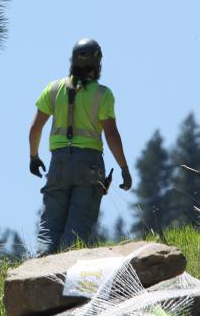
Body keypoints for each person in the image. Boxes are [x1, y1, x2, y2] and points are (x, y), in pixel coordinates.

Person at [28, 38, 132, 254]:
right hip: (89, 164)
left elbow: (35, 128)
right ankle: (67, 279)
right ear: (97, 65)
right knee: (77, 231)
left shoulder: (53, 89)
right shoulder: (103, 94)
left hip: (58, 164)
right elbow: (112, 134)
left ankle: (38, 270)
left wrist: (34, 156)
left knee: (49, 228)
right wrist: (124, 168)